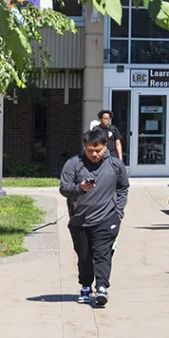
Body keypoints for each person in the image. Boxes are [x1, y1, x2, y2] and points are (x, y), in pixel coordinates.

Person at [59, 129, 129, 308]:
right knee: (84, 256)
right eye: (90, 150)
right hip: (80, 220)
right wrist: (80, 188)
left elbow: (123, 188)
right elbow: (64, 188)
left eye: (98, 150)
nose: (94, 154)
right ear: (84, 147)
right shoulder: (74, 164)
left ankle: (102, 288)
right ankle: (85, 285)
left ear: (105, 147)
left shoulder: (115, 165)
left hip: (107, 218)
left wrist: (119, 211)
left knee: (102, 253)